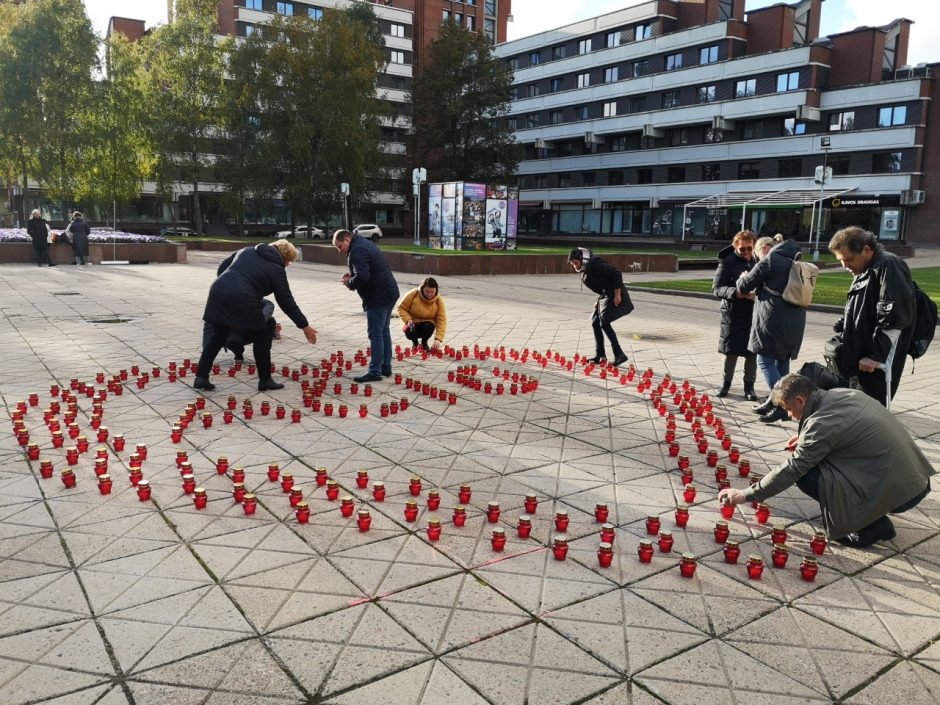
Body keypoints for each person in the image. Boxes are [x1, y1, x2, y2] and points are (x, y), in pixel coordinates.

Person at [718, 373, 934, 548]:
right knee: (816, 463)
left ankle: (872, 526)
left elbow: (794, 468)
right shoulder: (840, 394)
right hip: (916, 479)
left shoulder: (821, 423)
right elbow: (845, 430)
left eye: (788, 409)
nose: (790, 416)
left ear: (801, 400)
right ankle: (869, 512)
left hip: (903, 494)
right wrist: (805, 437)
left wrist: (745, 495)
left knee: (806, 475)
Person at [194, 240, 318, 391]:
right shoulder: (276, 269)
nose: (287, 265)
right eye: (289, 262)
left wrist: (231, 283)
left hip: (218, 291)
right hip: (243, 297)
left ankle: (201, 377)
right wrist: (304, 325)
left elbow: (222, 268)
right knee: (262, 334)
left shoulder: (246, 250)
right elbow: (286, 300)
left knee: (218, 336)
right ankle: (265, 380)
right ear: (285, 258)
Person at [828, 227, 916, 407]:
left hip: (874, 359)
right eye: (841, 260)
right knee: (858, 406)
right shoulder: (867, 268)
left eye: (848, 259)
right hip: (862, 357)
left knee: (870, 408)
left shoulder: (887, 265)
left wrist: (876, 356)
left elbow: (894, 314)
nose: (844, 266)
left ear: (867, 250)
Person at [736, 234, 806, 423]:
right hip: (795, 320)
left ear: (764, 249)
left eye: (758, 254)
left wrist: (742, 277)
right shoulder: (795, 258)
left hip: (773, 319)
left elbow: (744, 286)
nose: (759, 258)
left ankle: (781, 404)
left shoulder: (770, 260)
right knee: (782, 362)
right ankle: (771, 401)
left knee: (764, 361)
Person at [333, 228, 400, 383]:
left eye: (339, 246)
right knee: (384, 330)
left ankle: (375, 371)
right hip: (389, 292)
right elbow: (366, 270)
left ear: (346, 240)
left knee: (375, 333)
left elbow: (363, 277)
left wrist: (349, 282)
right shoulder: (363, 244)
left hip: (378, 296)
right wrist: (352, 275)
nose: (339, 251)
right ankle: (385, 367)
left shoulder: (357, 251)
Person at [202, 250, 280, 362]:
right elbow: (209, 324)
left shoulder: (245, 289)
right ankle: (238, 352)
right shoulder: (220, 295)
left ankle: (263, 356)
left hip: (250, 328)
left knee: (270, 321)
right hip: (230, 333)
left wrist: (258, 320)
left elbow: (268, 304)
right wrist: (206, 355)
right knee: (233, 341)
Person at [567, 247, 632, 366]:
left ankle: (619, 354)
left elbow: (616, 273)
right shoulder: (587, 269)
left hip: (613, 293)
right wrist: (598, 300)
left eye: (576, 263)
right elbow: (601, 283)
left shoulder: (596, 264)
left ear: (583, 259)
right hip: (605, 294)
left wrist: (617, 295)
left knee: (604, 322)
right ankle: (600, 355)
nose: (575, 267)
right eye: (572, 264)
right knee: (595, 322)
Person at [712, 231, 757, 399]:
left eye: (749, 249)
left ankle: (749, 387)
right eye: (742, 249)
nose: (746, 252)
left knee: (752, 351)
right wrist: (736, 293)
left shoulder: (758, 261)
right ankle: (726, 384)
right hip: (733, 312)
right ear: (735, 246)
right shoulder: (727, 262)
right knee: (730, 351)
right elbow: (716, 288)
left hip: (754, 313)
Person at [398, 277, 447, 352]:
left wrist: (438, 339)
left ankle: (424, 342)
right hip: (412, 322)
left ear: (436, 291)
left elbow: (441, 319)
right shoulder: (413, 293)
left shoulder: (438, 300)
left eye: (432, 292)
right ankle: (415, 342)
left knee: (428, 327)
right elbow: (401, 307)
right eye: (427, 291)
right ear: (422, 289)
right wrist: (408, 319)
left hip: (427, 323)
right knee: (410, 332)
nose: (429, 294)